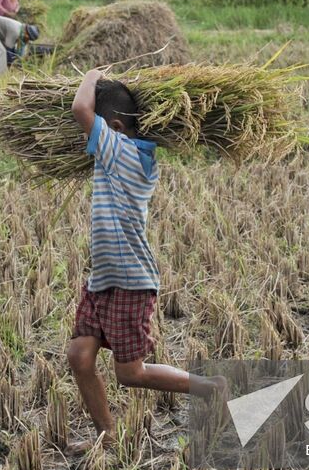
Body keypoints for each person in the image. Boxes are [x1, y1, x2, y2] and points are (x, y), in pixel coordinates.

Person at [65, 70, 223, 450]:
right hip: (102, 281)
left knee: (130, 373)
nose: (91, 136)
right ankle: (107, 435)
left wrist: (91, 75)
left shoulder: (123, 153)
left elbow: (79, 108)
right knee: (79, 356)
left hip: (130, 282)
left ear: (115, 127)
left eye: (98, 130)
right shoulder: (117, 152)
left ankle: (212, 389)